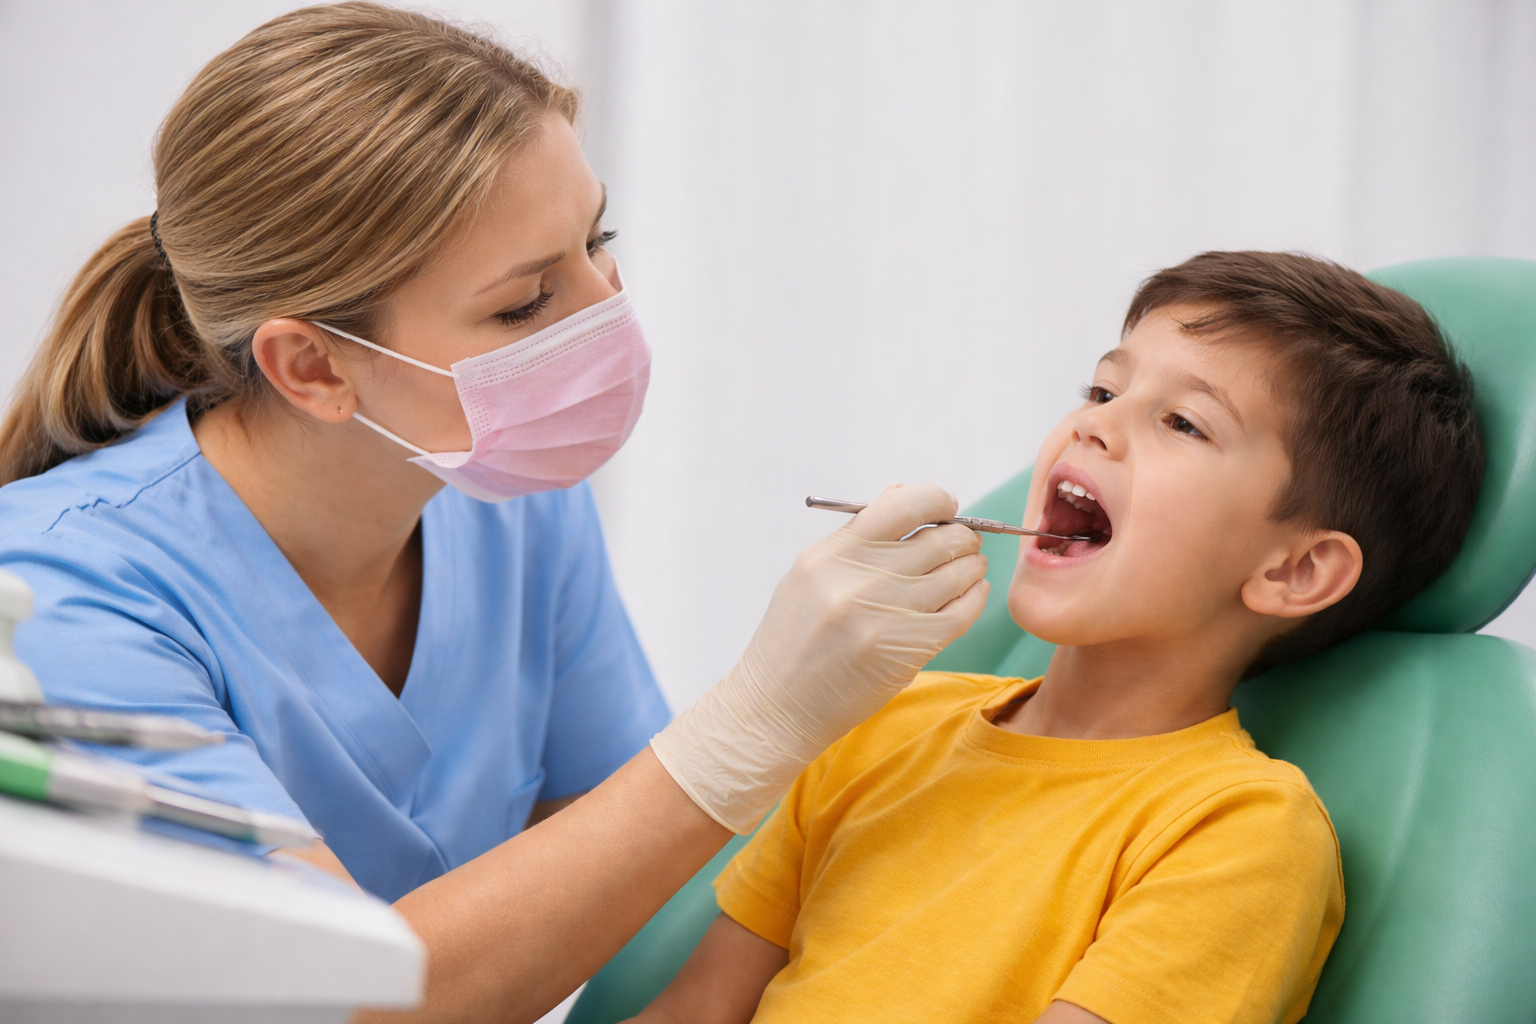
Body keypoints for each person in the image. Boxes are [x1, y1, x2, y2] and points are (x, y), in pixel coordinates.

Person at [0, 5, 991, 1022]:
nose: (605, 308)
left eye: (597, 239)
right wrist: (752, 725)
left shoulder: (498, 504)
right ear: (313, 364)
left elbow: (639, 883)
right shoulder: (59, 602)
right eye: (524, 305)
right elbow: (342, 1002)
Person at [626, 251, 1485, 1024]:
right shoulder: (884, 725)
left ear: (1295, 572)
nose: (1093, 425)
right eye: (1103, 392)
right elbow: (695, 1011)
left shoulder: (1239, 833)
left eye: (1183, 422)